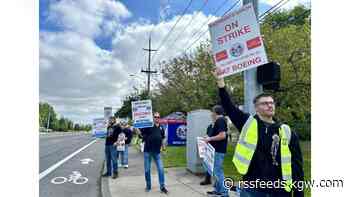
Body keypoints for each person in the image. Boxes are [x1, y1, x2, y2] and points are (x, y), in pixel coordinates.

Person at [214, 71, 304, 197]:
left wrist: (299, 193)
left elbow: (297, 166)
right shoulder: (247, 123)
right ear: (256, 108)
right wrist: (221, 83)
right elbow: (229, 107)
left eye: (271, 103)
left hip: (281, 191)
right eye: (265, 103)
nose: (269, 105)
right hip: (252, 188)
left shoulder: (287, 131)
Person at [203, 105, 229, 197]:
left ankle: (224, 193)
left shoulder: (220, 120)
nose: (211, 114)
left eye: (212, 112)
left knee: (218, 172)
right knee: (216, 171)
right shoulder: (219, 121)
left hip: (219, 150)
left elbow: (222, 135)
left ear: (215, 112)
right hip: (216, 150)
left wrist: (209, 138)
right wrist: (208, 137)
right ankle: (217, 190)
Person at [139, 112, 168, 194]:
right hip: (147, 151)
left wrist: (164, 148)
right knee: (147, 170)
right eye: (155, 117)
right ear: (153, 117)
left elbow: (162, 139)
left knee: (161, 169)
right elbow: (141, 135)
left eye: (158, 117)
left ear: (160, 118)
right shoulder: (148, 126)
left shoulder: (161, 128)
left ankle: (162, 187)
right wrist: (136, 128)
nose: (157, 118)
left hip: (157, 152)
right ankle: (148, 186)